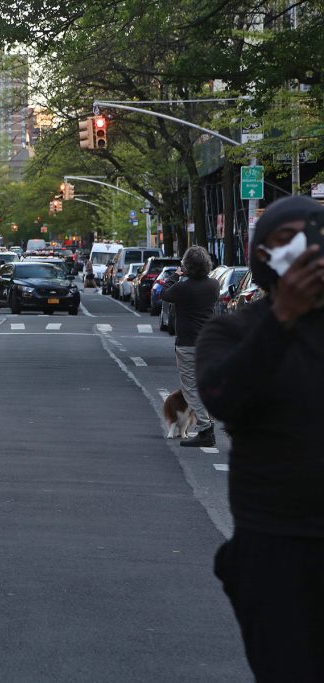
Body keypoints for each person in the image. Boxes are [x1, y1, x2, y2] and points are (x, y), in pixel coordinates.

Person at [196, 195, 324, 682]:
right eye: (284, 240)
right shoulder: (233, 330)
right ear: (261, 255)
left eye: (310, 238)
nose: (299, 250)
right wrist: (282, 317)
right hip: (274, 544)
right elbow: (222, 397)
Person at [159, 245, 218, 446]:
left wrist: (175, 275)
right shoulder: (214, 285)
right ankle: (209, 423)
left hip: (187, 344)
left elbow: (164, 293)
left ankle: (205, 430)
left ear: (187, 266)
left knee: (190, 388)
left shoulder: (183, 288)